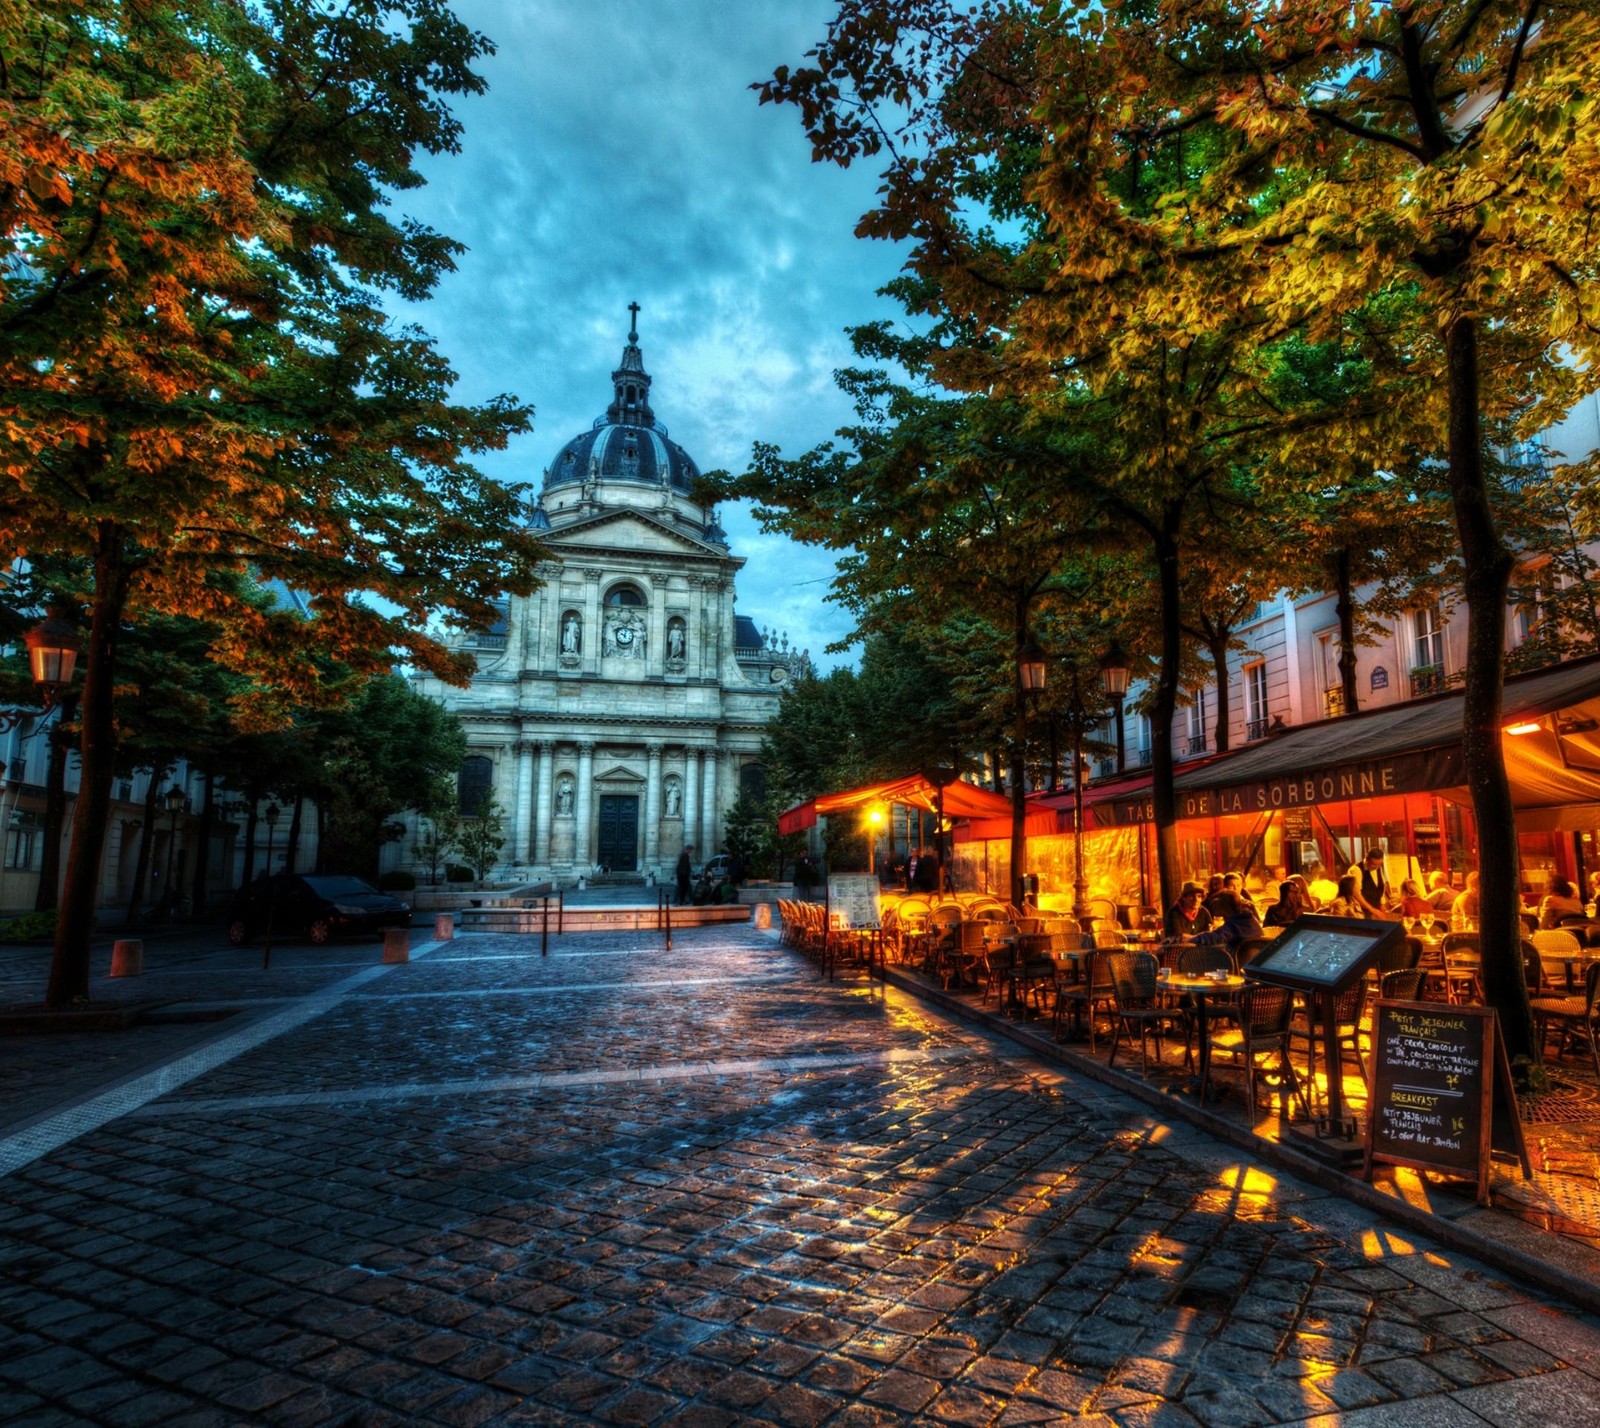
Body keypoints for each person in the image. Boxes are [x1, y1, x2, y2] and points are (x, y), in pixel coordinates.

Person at [1190, 890, 1263, 949]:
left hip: (1236, 962)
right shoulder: (1248, 918)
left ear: (1223, 908)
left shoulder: (1234, 924)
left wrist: (1192, 939)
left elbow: (1215, 937)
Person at [1350, 847, 1392, 917]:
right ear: (1366, 859)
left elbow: (1380, 887)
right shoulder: (1356, 870)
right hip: (1360, 913)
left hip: (1374, 911)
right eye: (1373, 864)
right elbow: (1356, 895)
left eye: (1379, 864)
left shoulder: (1378, 868)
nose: (1376, 867)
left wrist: (1381, 904)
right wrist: (1373, 910)